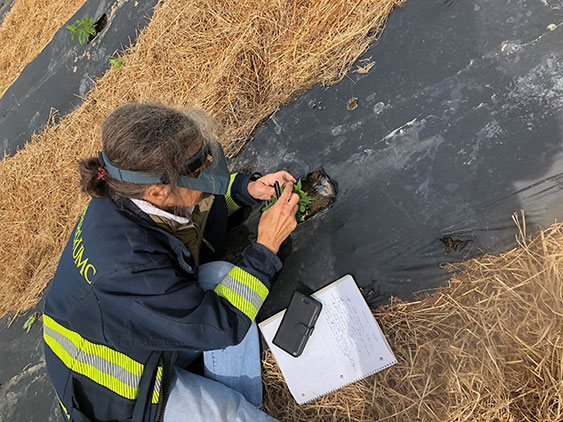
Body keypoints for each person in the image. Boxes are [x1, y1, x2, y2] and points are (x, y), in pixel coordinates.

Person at [43, 103, 300, 422]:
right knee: (226, 414)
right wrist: (266, 247)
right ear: (158, 191)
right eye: (197, 169)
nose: (209, 165)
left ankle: (245, 403)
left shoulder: (128, 195)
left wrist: (244, 190)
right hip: (115, 395)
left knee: (222, 276)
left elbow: (190, 219)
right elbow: (222, 323)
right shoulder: (130, 268)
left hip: (130, 327)